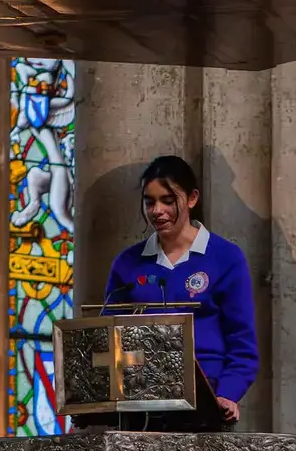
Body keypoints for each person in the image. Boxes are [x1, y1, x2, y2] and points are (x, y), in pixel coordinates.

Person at [104, 156, 259, 423]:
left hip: (205, 395)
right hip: (139, 397)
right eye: (149, 202)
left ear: (191, 199)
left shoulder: (225, 258)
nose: (157, 211)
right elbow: (107, 339)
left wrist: (227, 394)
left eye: (167, 200)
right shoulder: (127, 263)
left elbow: (242, 342)